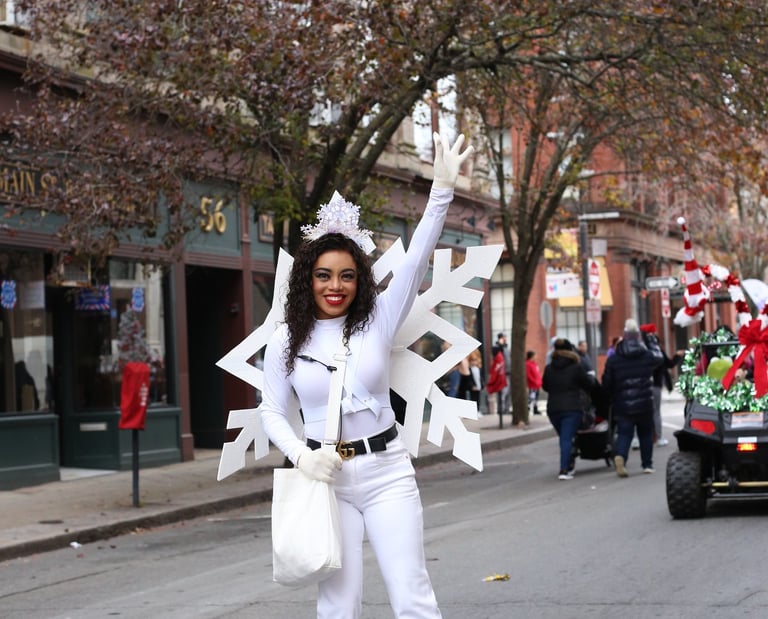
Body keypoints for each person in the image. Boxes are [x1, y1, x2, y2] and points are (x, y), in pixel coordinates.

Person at [260, 132, 472, 618]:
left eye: (347, 275)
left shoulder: (379, 319)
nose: (335, 286)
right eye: (324, 275)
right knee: (338, 605)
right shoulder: (285, 340)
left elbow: (417, 257)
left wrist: (441, 191)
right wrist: (301, 457)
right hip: (325, 479)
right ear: (307, 279)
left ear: (360, 280)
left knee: (411, 594)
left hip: (387, 472)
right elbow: (271, 410)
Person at [602, 318, 663, 477]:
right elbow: (659, 358)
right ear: (637, 336)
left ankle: (621, 456)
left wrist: (610, 397)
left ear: (624, 336)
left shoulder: (614, 359)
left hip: (623, 403)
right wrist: (650, 339)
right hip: (644, 402)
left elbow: (606, 381)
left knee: (624, 433)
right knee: (645, 434)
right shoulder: (646, 355)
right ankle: (647, 464)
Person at [542, 338, 595, 480]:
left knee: (564, 437)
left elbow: (545, 386)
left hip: (553, 409)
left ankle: (569, 462)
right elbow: (587, 384)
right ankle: (564, 469)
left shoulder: (549, 368)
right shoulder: (576, 367)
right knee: (566, 438)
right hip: (572, 408)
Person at [640, 324, 684, 447]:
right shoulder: (657, 352)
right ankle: (658, 437)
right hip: (656, 385)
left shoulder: (640, 350)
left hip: (642, 385)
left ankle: (641, 438)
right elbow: (669, 364)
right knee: (656, 412)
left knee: (642, 413)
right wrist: (677, 356)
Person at [485, 345, 507, 417]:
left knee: (499, 397)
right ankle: (499, 410)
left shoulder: (498, 358)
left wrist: (491, 380)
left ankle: (498, 411)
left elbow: (495, 370)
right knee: (500, 396)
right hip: (501, 380)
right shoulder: (500, 357)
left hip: (498, 381)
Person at [495, 332, 511, 414]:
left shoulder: (506, 347)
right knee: (502, 393)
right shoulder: (497, 347)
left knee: (508, 392)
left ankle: (506, 409)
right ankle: (501, 409)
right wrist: (500, 345)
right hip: (502, 374)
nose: (505, 339)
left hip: (508, 373)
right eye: (504, 337)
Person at [525, 350, 543, 415]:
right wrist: (534, 381)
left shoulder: (535, 364)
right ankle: (527, 408)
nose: (536, 357)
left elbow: (537, 373)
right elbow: (528, 375)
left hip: (537, 384)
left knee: (536, 397)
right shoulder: (527, 364)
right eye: (535, 356)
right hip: (532, 384)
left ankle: (535, 408)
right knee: (532, 396)